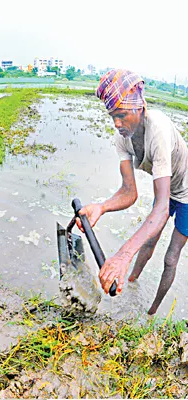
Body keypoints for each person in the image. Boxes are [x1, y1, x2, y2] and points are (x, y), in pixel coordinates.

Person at [78, 69, 188, 315]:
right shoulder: (123, 137)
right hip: (168, 189)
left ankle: (151, 311)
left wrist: (122, 256)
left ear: (138, 108)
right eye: (112, 116)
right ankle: (131, 284)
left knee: (171, 256)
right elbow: (129, 192)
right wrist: (101, 207)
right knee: (148, 242)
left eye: (122, 115)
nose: (117, 124)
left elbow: (160, 209)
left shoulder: (157, 129)